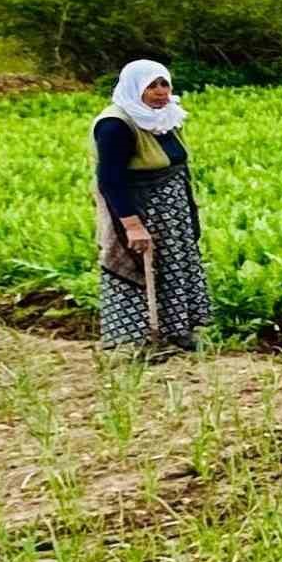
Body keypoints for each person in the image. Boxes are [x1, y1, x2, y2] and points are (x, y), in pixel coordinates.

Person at [91, 60, 212, 351]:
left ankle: (176, 331)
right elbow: (110, 179)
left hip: (173, 210)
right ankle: (137, 341)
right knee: (138, 266)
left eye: (164, 84)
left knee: (174, 265)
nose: (160, 92)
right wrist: (132, 225)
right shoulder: (115, 124)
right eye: (151, 86)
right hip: (139, 208)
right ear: (135, 87)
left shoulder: (166, 116)